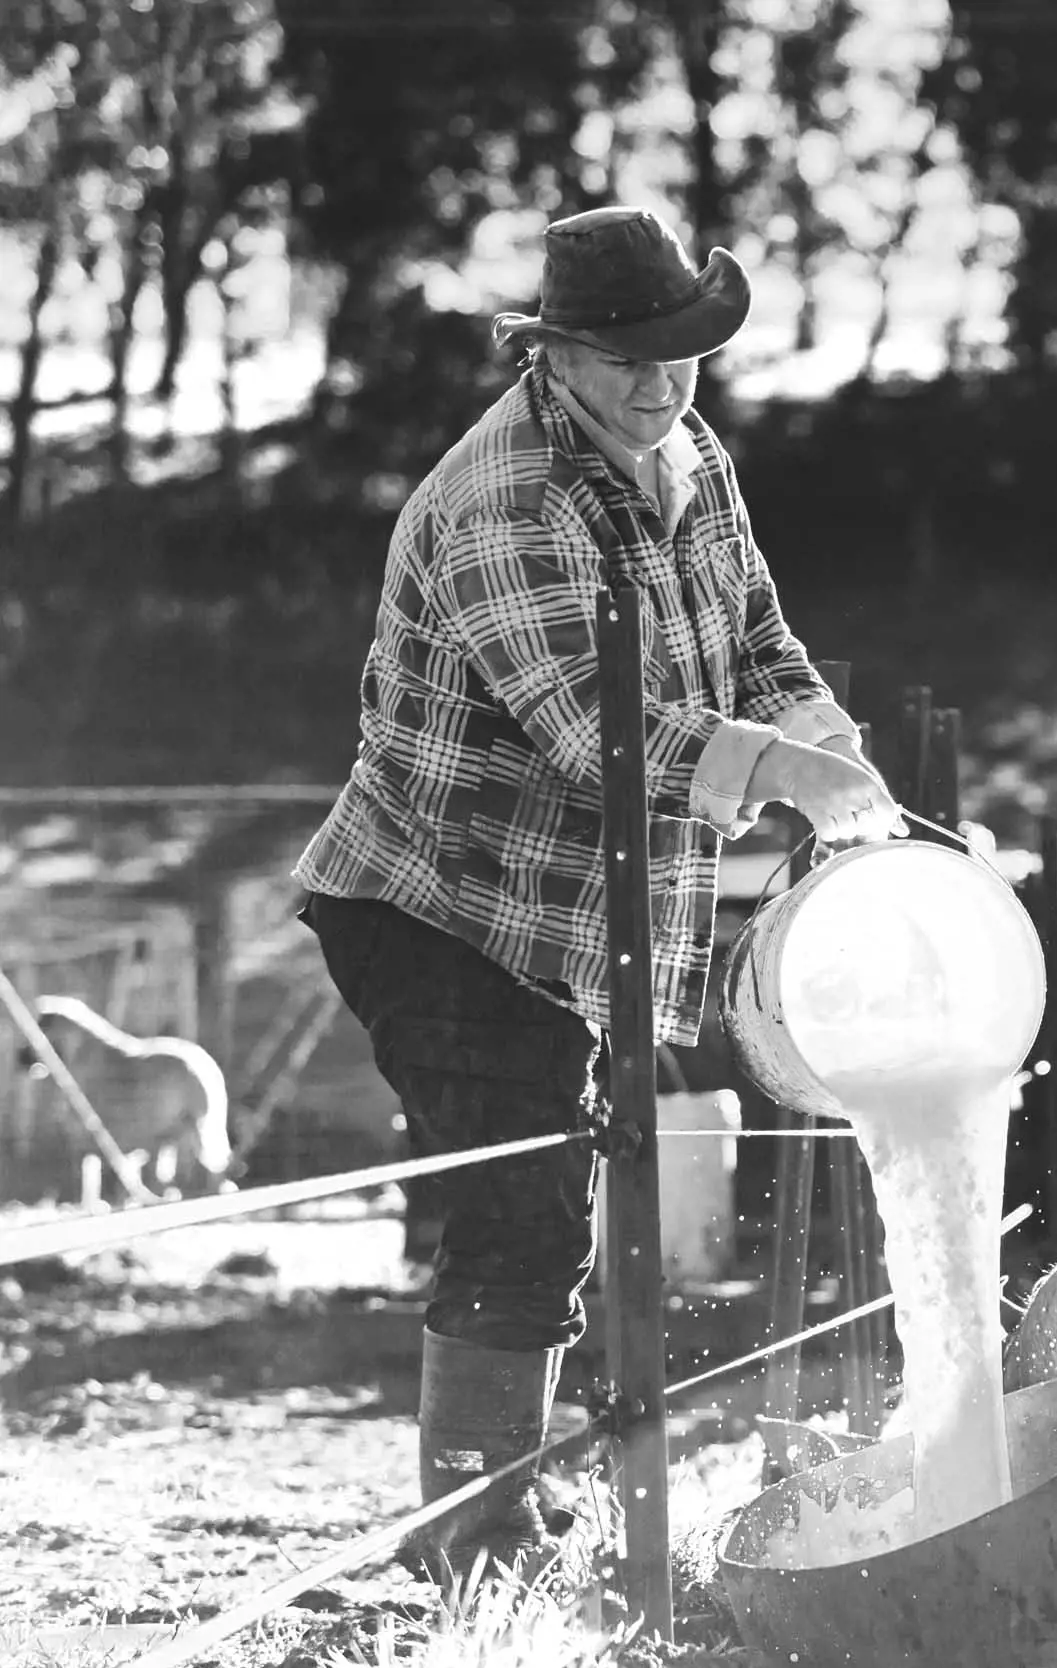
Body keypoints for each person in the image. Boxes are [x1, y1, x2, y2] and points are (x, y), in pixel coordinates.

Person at [293, 205, 902, 1583]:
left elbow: (757, 640)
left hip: (568, 912)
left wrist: (838, 760)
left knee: (555, 1192)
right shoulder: (508, 499)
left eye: (677, 351)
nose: (656, 381)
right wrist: (784, 778)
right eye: (623, 358)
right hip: (440, 903)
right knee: (525, 1202)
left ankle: (507, 1493)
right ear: (554, 353)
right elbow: (596, 731)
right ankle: (473, 1537)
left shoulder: (689, 453)